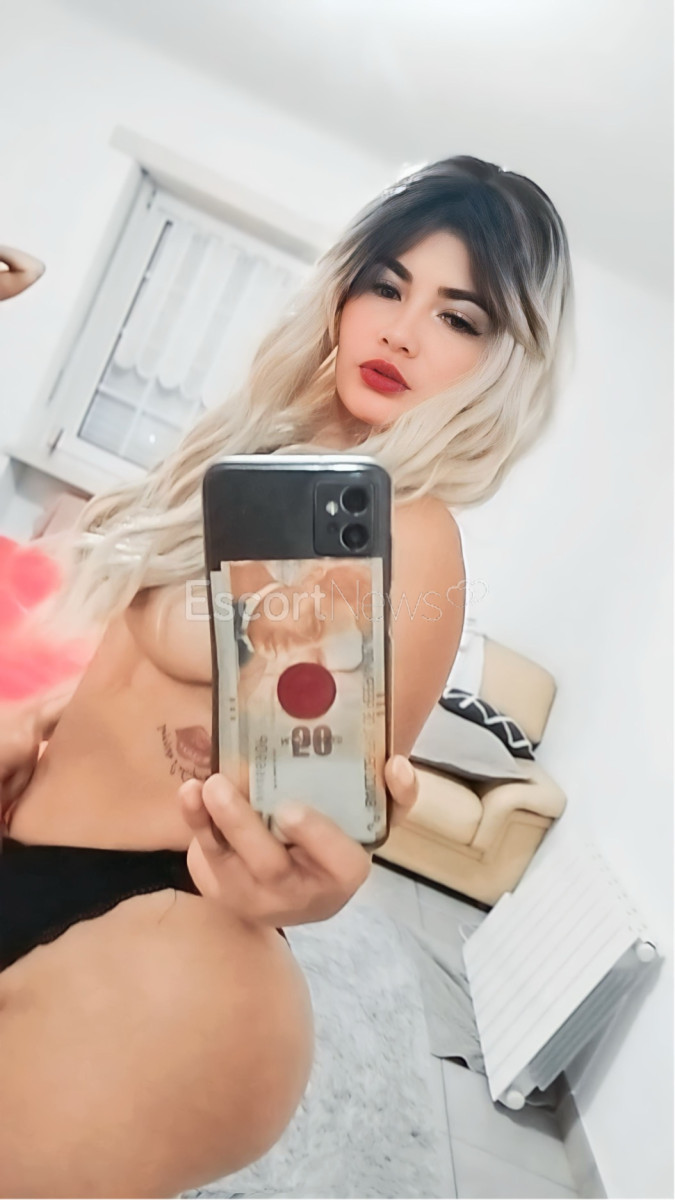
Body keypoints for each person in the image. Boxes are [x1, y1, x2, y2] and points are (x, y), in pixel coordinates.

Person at [0, 154, 574, 1197]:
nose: (401, 331)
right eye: (387, 286)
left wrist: (312, 879)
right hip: (36, 848)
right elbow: (138, 670)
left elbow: (314, 813)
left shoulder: (410, 533)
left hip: (152, 934)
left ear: (504, 362)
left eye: (459, 316)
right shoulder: (254, 451)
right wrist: (38, 725)